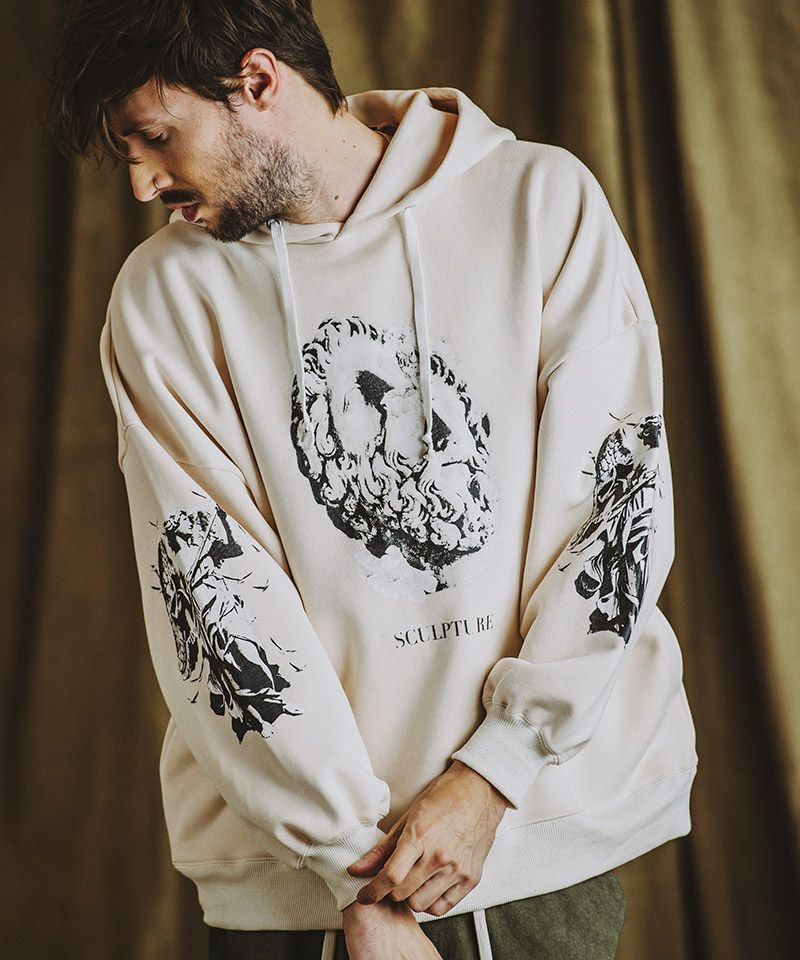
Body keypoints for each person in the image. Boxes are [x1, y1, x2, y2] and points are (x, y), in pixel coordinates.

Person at [46, 2, 698, 958]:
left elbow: (614, 507)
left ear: (257, 81)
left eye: (155, 136)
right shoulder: (164, 298)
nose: (143, 182)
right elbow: (217, 594)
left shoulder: (539, 202)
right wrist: (356, 873)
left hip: (534, 841)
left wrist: (495, 772)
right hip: (293, 886)